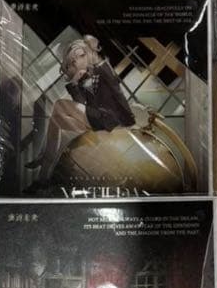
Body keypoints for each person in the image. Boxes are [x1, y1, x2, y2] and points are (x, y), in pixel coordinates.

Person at [25, 36, 141, 182]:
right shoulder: (83, 79)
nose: (78, 61)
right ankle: (42, 176)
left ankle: (44, 156)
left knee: (59, 104)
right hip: (94, 122)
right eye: (73, 61)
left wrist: (130, 121)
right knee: (56, 121)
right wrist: (75, 82)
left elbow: (118, 94)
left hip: (109, 119)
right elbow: (80, 104)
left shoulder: (103, 69)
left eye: (81, 55)